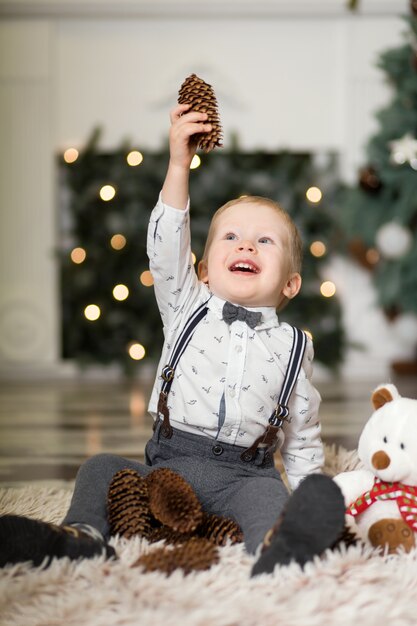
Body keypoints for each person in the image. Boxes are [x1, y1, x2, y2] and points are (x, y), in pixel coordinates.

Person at [0, 104, 345, 574]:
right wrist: (179, 164)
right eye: (231, 237)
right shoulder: (187, 306)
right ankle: (80, 537)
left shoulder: (293, 347)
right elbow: (165, 245)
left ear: (290, 284)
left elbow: (302, 434)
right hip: (167, 467)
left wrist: (308, 494)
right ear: (203, 270)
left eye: (266, 242)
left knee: (270, 498)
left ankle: (277, 548)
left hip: (244, 475)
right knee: (100, 468)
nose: (246, 245)